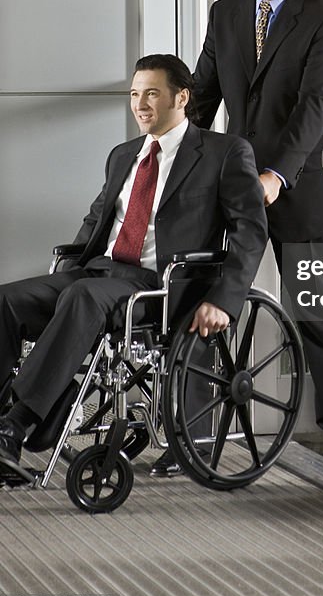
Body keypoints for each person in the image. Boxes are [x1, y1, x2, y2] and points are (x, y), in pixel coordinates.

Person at [0, 54, 267, 480]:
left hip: (157, 285)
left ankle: (16, 424)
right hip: (99, 272)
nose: (140, 103)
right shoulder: (123, 155)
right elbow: (96, 222)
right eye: (134, 94)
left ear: (181, 96)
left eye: (152, 94)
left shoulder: (224, 153)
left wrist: (224, 299)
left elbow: (250, 232)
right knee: (8, 300)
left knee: (81, 297)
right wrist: (66, 269)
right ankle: (5, 420)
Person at [191, 0, 323, 456]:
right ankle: (195, 428)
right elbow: (203, 95)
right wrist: (175, 159)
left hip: (298, 186)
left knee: (317, 308)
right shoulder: (227, 13)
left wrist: (277, 173)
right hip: (233, 183)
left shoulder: (322, 14)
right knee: (209, 296)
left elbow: (317, 104)